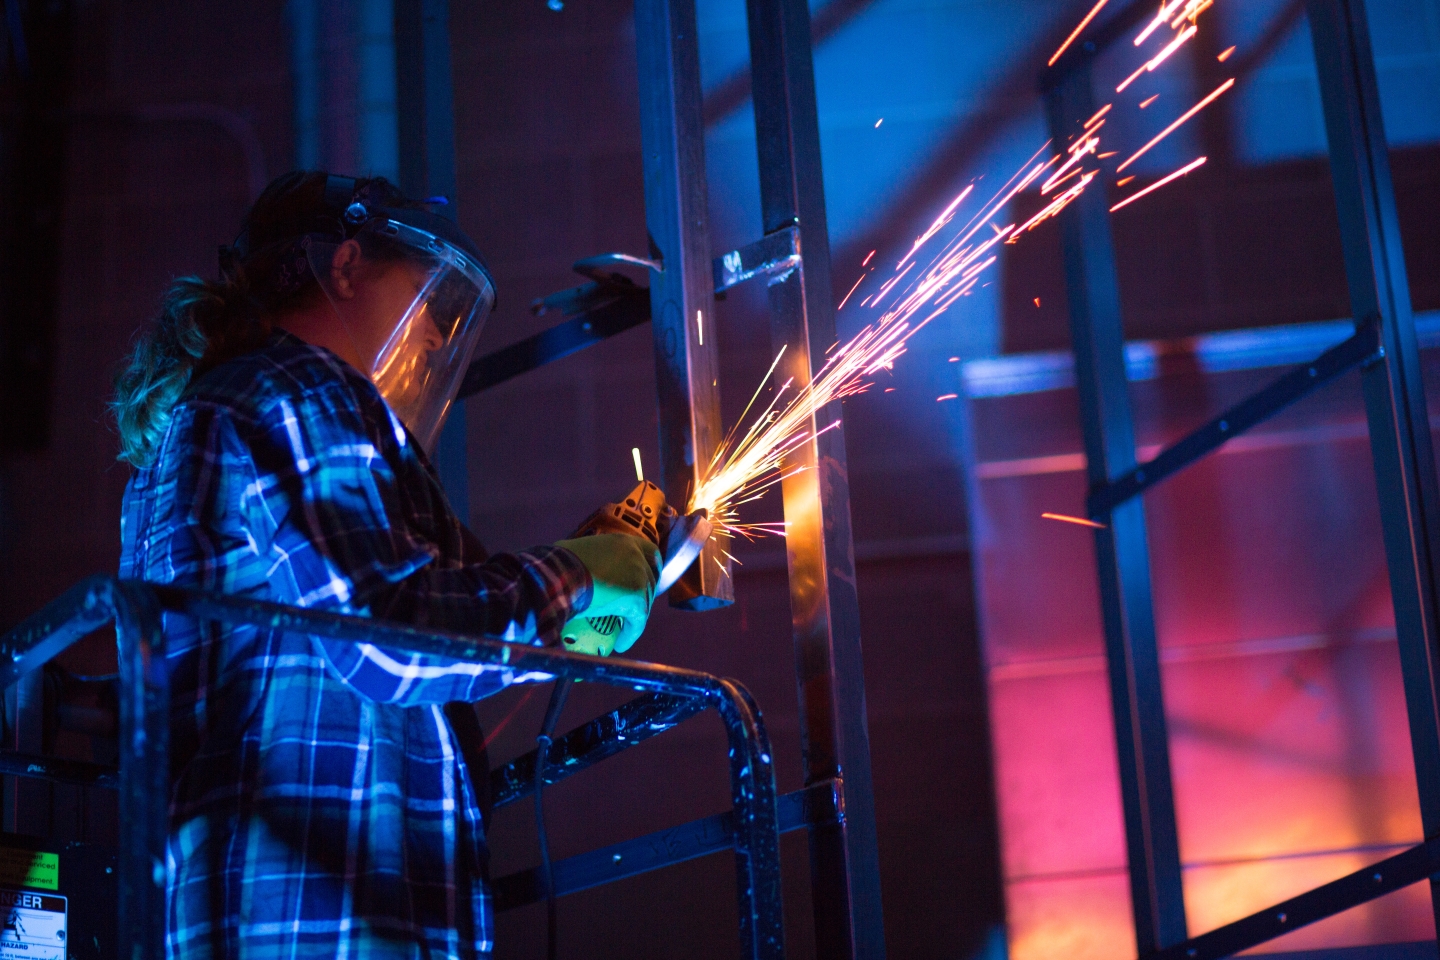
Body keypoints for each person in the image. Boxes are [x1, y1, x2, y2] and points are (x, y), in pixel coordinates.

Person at [111, 171, 658, 958]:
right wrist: (573, 578)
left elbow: (405, 608)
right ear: (345, 268)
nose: (436, 336)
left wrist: (562, 613)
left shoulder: (193, 435)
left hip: (246, 914)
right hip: (331, 917)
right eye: (427, 300)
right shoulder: (296, 390)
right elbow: (390, 635)